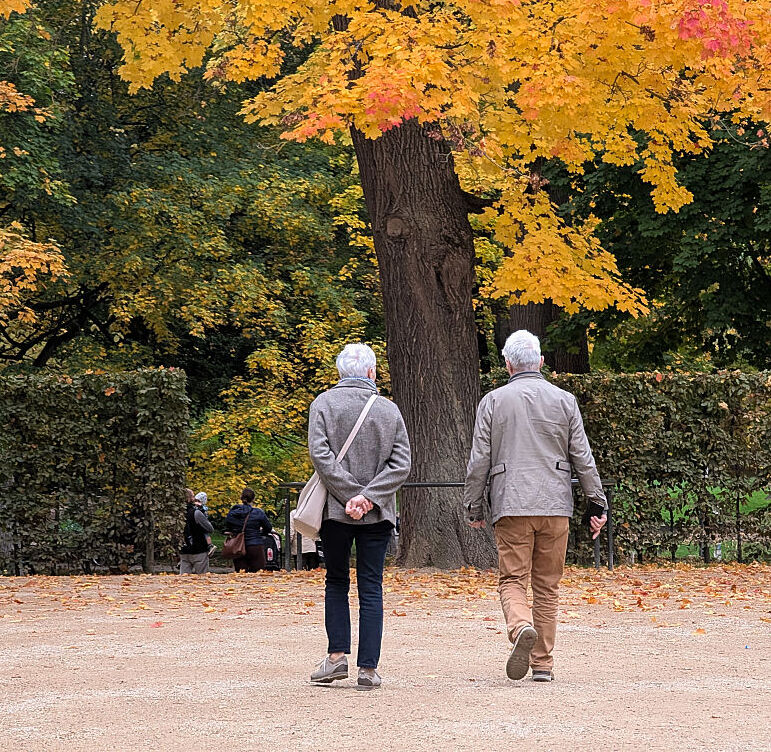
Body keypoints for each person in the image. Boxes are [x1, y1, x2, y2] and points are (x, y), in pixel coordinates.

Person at [464, 330, 607, 683]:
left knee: (513, 578)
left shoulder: (493, 401)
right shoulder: (564, 400)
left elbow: (479, 459)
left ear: (508, 364)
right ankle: (542, 663)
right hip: (555, 504)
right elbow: (582, 457)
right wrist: (596, 502)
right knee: (547, 585)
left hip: (511, 503)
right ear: (541, 362)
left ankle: (520, 627)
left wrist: (474, 506)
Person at [307, 343, 411, 690]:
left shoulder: (323, 404)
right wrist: (368, 497)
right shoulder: (389, 410)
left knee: (336, 581)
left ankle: (336, 658)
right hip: (378, 513)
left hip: (335, 511)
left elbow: (320, 455)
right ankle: (368, 669)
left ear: (339, 373)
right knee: (371, 586)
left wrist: (349, 494)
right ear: (371, 373)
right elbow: (401, 464)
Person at [224, 487, 272, 572]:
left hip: (237, 546)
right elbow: (268, 528)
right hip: (255, 544)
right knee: (258, 572)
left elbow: (227, 526)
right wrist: (260, 532)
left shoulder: (233, 513)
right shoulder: (258, 512)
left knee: (241, 572)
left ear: (241, 498)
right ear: (253, 499)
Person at [180, 487, 214, 574]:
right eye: (193, 496)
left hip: (184, 550)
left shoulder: (178, 514)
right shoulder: (196, 513)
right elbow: (210, 528)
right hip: (199, 549)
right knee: (202, 579)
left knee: (183, 580)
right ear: (190, 498)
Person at [194, 491, 216, 557]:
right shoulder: (202, 508)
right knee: (205, 533)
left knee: (205, 533)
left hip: (199, 523)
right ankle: (210, 546)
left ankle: (210, 546)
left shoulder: (200, 508)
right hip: (200, 523)